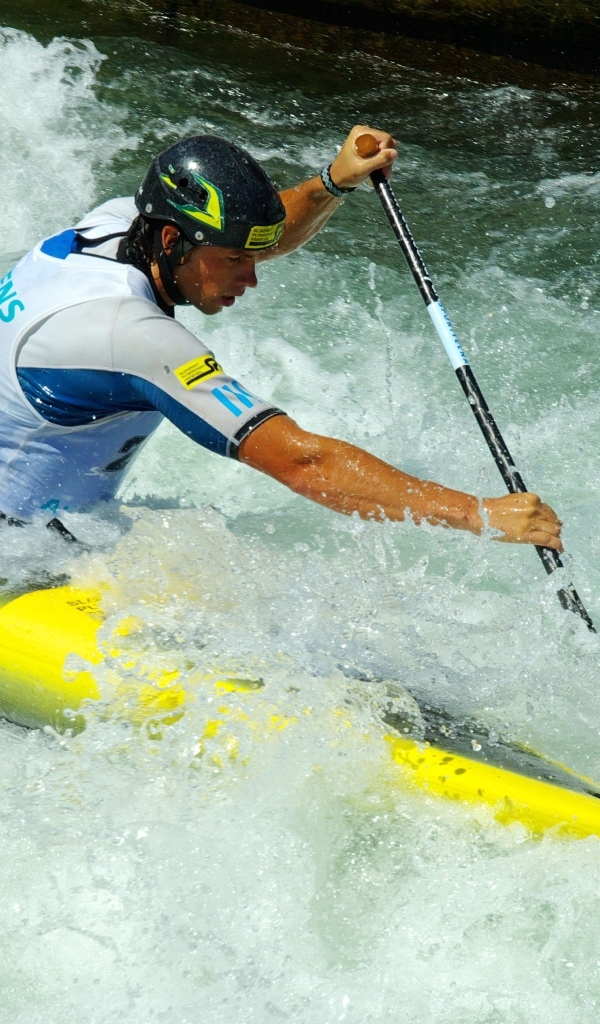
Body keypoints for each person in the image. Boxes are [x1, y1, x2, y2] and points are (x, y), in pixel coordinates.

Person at [0, 124, 562, 552]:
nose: (251, 277)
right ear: (172, 240)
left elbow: (257, 235)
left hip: (54, 519)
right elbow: (304, 464)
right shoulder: (128, 332)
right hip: (20, 554)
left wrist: (331, 182)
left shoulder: (122, 222)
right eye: (234, 261)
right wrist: (480, 514)